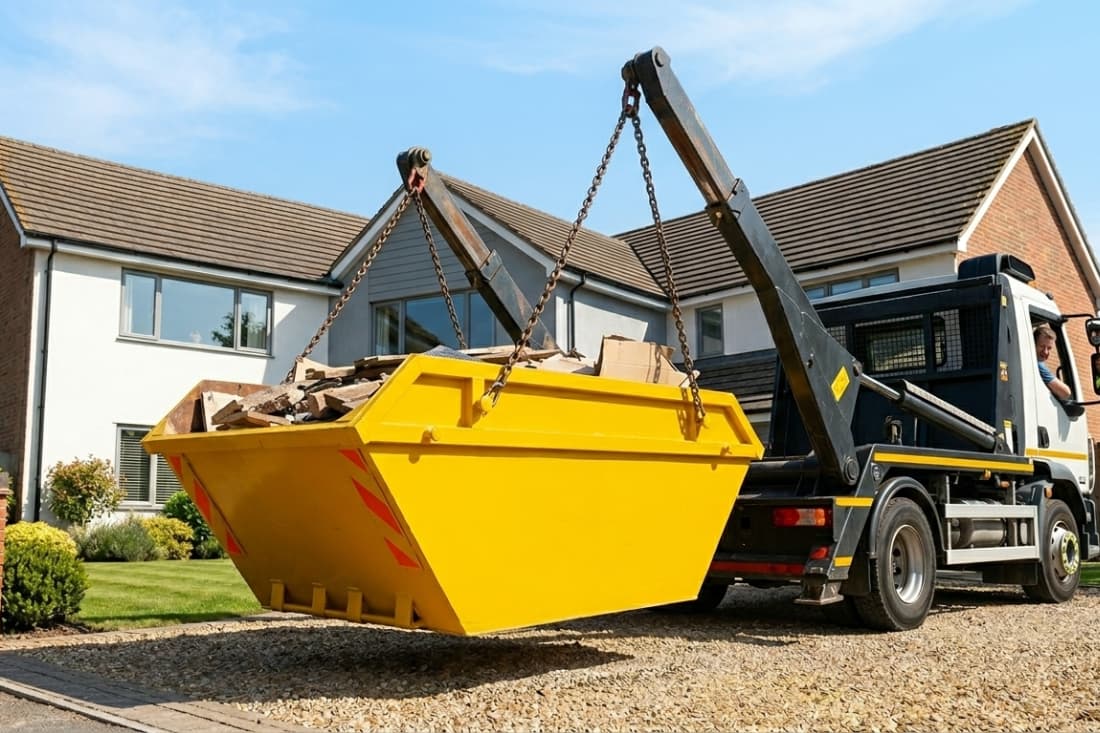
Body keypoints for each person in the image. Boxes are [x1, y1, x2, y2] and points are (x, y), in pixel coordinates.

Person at [1034, 323, 1073, 400]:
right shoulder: (1037, 365)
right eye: (1042, 346)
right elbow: (1065, 393)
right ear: (1033, 344)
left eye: (1049, 348)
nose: (1045, 352)